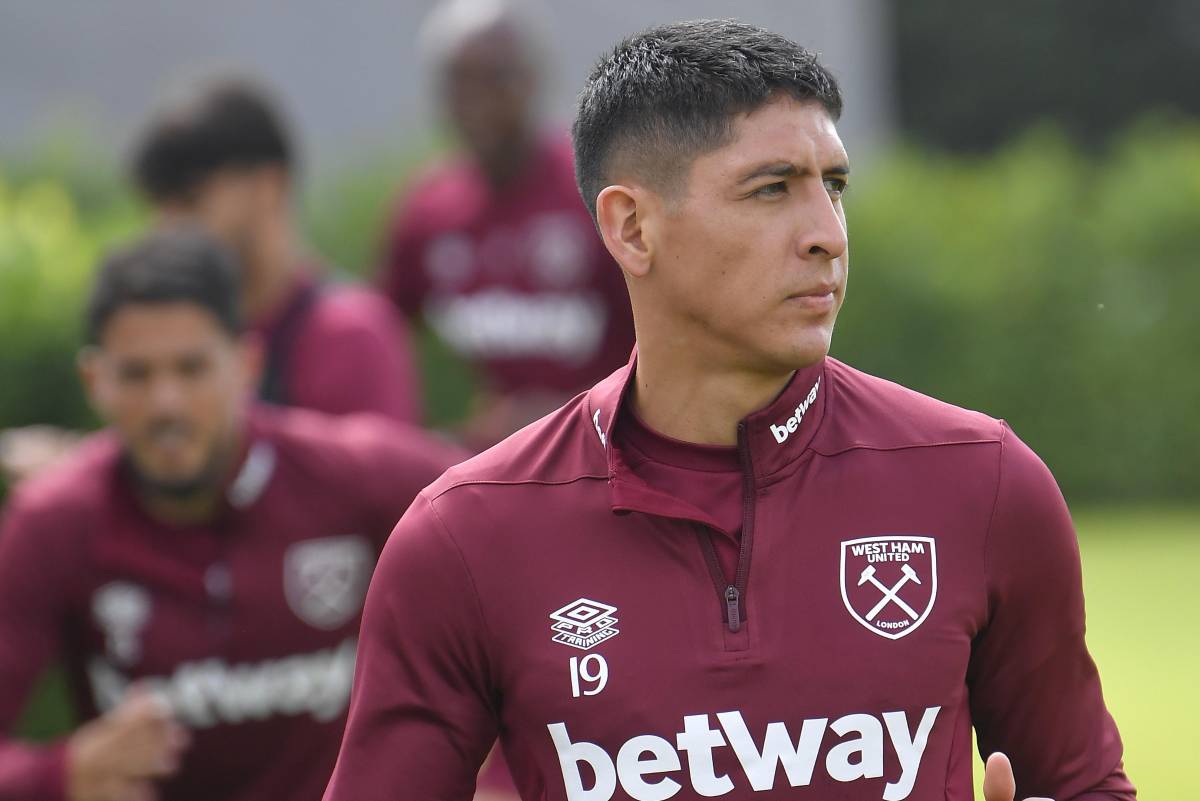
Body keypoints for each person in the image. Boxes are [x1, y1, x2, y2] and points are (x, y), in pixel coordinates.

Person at [323, 19, 1136, 801]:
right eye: (772, 188)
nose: (827, 234)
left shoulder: (982, 483)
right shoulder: (464, 538)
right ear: (631, 227)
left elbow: (1085, 785)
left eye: (834, 186)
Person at [0, 229, 463, 801]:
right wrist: (58, 775)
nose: (166, 403)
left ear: (246, 364)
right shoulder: (56, 521)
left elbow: (518, 527)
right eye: (136, 375)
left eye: (191, 369)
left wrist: (498, 773)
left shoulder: (353, 476)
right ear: (96, 381)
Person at [378, 0, 634, 447]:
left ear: (533, 80)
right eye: (460, 83)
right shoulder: (428, 212)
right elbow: (378, 332)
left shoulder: (595, 193)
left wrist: (565, 412)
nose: (478, 102)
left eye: (495, 78)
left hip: (605, 447)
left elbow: (664, 341)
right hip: (480, 469)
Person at [133, 78, 424, 422]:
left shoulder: (348, 335)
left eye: (190, 203)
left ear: (268, 185)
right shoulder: (174, 337)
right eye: (161, 210)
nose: (170, 230)